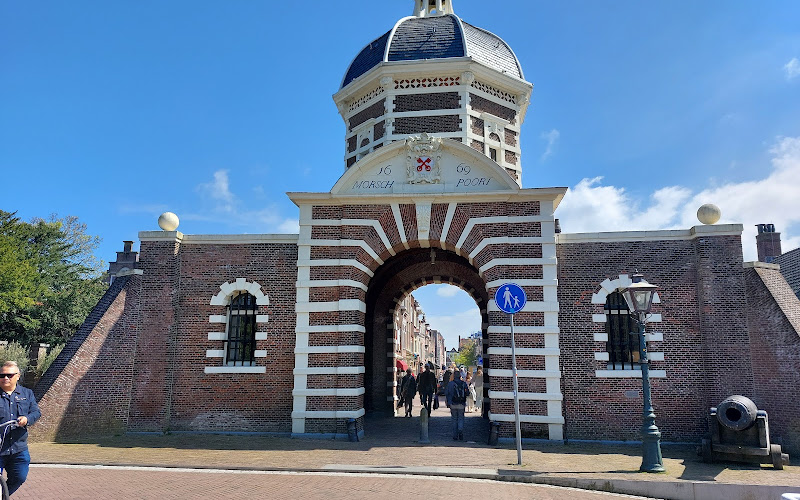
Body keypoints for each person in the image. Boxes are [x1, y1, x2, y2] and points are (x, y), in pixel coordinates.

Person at [0, 361, 41, 496]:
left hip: (18, 448)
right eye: (2, 375)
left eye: (9, 375)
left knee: (20, 477)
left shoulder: (27, 394)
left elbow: (36, 412)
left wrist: (27, 419)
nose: (5, 378)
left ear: (18, 376)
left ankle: (3, 496)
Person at [445, 369, 468, 440]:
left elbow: (446, 393)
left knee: (454, 419)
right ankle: (460, 430)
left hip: (453, 404)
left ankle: (455, 435)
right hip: (461, 404)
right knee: (461, 418)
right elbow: (467, 393)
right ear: (460, 376)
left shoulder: (450, 384)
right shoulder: (463, 384)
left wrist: (448, 402)